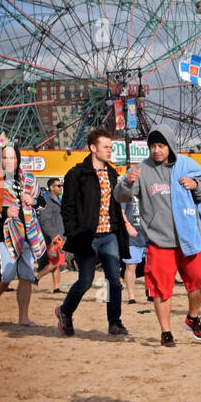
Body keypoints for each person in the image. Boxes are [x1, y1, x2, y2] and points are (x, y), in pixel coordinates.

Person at [114, 125, 201, 347]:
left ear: (170, 145)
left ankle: (192, 317)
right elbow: (120, 197)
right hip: (159, 241)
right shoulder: (141, 170)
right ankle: (166, 332)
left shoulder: (186, 165)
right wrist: (127, 183)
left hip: (188, 238)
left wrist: (195, 184)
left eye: (160, 145)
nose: (156, 150)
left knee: (200, 283)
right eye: (152, 146)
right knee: (161, 289)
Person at [57, 129, 130, 338]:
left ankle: (114, 323)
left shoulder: (113, 174)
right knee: (86, 281)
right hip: (86, 236)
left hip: (110, 235)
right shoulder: (76, 174)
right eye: (106, 147)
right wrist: (73, 232)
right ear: (92, 148)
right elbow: (67, 207)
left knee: (114, 281)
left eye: (111, 147)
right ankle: (65, 311)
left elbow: (116, 205)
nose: (110, 151)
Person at [0, 141, 46, 326]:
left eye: (12, 157)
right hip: (2, 233)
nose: (9, 161)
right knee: (7, 272)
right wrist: (4, 212)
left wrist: (33, 200)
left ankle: (23, 317)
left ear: (18, 159)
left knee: (26, 275)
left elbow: (43, 202)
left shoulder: (28, 179)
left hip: (27, 234)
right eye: (4, 157)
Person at [35, 177, 66, 293]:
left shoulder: (58, 199)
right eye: (58, 186)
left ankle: (56, 287)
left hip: (59, 235)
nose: (60, 188)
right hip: (52, 237)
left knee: (57, 263)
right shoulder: (47, 201)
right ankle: (36, 278)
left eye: (61, 185)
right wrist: (53, 235)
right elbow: (45, 221)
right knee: (56, 262)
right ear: (51, 187)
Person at [121, 191, 147, 304]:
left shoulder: (147, 191)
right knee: (131, 265)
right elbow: (121, 212)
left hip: (148, 234)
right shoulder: (125, 193)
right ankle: (131, 297)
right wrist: (128, 226)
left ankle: (150, 293)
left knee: (152, 266)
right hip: (132, 235)